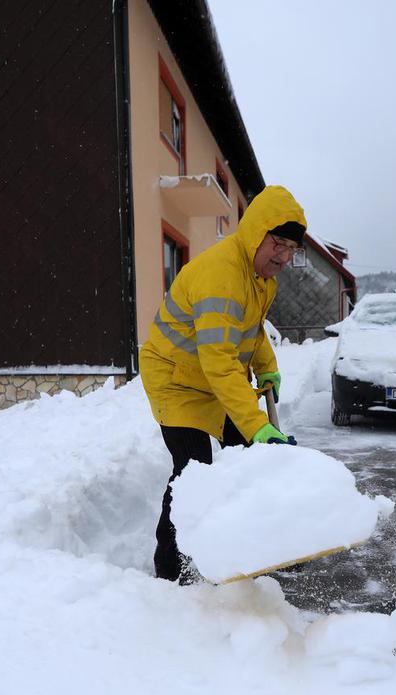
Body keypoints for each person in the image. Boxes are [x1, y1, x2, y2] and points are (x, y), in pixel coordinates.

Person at [139, 185, 307, 583]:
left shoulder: (260, 277)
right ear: (256, 232)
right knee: (191, 471)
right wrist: (257, 424)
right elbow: (219, 363)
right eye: (277, 243)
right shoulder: (221, 275)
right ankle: (171, 571)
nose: (283, 257)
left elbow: (252, 330)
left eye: (291, 249)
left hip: (210, 377)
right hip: (177, 381)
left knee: (245, 457)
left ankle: (249, 544)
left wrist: (267, 367)